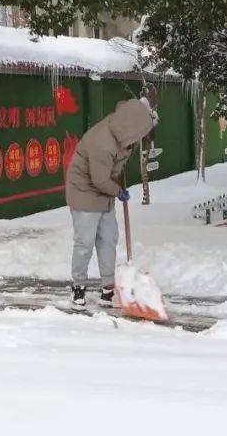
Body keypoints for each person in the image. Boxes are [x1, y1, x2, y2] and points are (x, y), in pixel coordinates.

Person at [64, 97, 157, 307]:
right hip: (85, 191)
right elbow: (100, 179)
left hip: (104, 191)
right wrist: (118, 191)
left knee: (108, 239)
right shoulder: (103, 143)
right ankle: (78, 287)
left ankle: (108, 286)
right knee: (85, 243)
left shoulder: (124, 134)